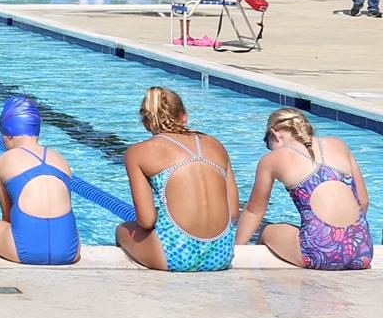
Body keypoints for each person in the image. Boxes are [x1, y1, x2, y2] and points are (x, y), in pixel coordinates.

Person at [118, 86, 238, 272]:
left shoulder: (137, 153)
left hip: (175, 255)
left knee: (123, 230)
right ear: (185, 117)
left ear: (146, 123)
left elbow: (146, 220)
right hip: (221, 254)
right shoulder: (216, 145)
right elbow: (233, 213)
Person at [236, 107, 371, 270]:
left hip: (320, 254)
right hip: (362, 252)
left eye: (268, 144)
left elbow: (254, 211)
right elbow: (363, 202)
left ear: (275, 134)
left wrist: (237, 249)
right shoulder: (339, 145)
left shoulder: (272, 159)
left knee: (268, 231)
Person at [0, 96, 80, 265]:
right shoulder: (60, 158)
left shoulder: (2, 161)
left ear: (9, 135)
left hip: (25, 250)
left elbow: (7, 217)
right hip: (69, 251)